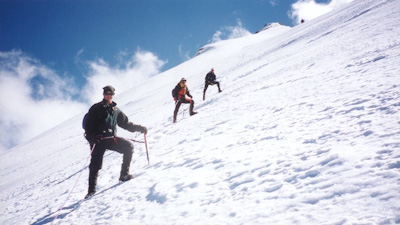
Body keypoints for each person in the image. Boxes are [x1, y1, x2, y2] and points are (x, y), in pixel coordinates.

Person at [83, 85, 147, 199]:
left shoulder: (116, 110)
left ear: (113, 95)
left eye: (111, 94)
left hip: (111, 139)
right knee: (95, 165)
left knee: (128, 147)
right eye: (107, 93)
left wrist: (140, 128)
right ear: (103, 95)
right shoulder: (96, 108)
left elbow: (125, 124)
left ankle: (124, 175)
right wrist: (92, 138)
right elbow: (87, 126)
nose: (109, 96)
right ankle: (91, 190)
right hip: (99, 140)